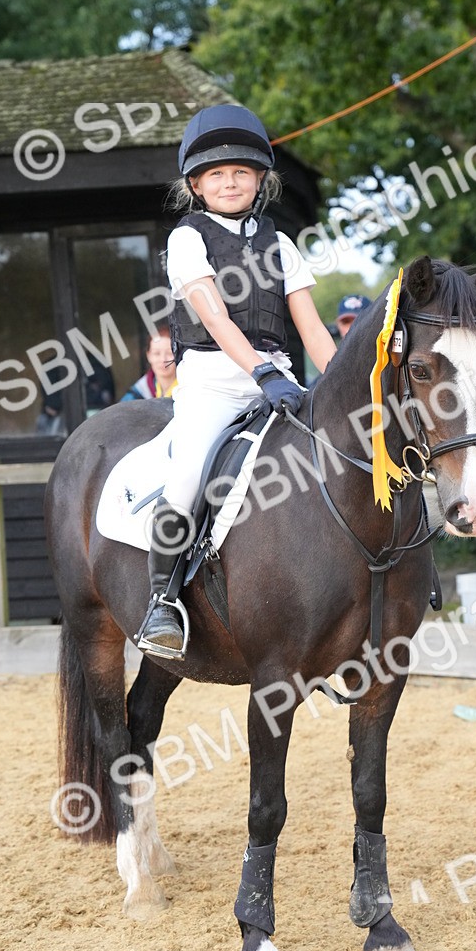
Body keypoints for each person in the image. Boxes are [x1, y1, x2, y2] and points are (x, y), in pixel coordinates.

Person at [137, 104, 338, 659]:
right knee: (186, 478)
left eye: (241, 172)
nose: (230, 182)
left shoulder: (282, 244)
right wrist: (262, 372)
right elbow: (215, 317)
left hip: (279, 379)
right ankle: (162, 600)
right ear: (196, 185)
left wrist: (349, 385)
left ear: (260, 180)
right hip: (213, 383)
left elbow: (312, 329)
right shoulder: (187, 239)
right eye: (217, 174)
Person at [120, 326, 177, 401]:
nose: (163, 359)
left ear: (178, 355)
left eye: (169, 353)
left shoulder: (190, 389)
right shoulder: (137, 393)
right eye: (156, 353)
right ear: (148, 356)